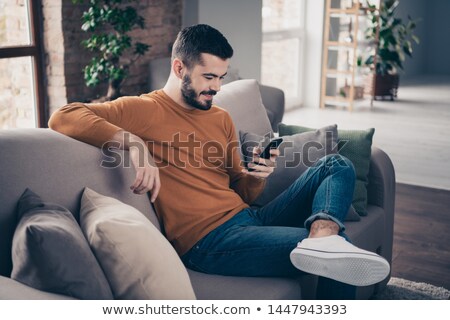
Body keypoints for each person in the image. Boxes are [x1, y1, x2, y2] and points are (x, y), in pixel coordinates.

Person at [49, 24, 390, 299]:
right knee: (340, 256)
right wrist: (133, 143)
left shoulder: (220, 118)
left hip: (248, 217)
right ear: (179, 67)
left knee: (335, 165)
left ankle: (323, 234)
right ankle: (327, 245)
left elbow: (244, 192)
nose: (216, 88)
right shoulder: (145, 110)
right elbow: (64, 116)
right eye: (208, 77)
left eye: (221, 77)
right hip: (207, 243)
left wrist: (257, 174)